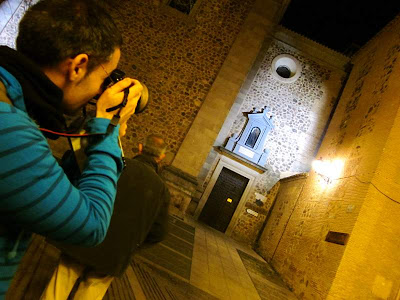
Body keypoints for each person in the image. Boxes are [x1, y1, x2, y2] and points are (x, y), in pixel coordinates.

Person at [0, 0, 142, 298]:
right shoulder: (9, 128)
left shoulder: (10, 99)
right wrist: (108, 131)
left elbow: (48, 187)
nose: (101, 90)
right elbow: (90, 224)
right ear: (77, 66)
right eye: (105, 77)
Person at [41, 134, 171, 300]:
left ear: (140, 147)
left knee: (60, 284)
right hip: (116, 252)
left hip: (86, 235)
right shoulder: (161, 190)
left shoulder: (115, 166)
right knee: (91, 292)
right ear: (161, 157)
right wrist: (134, 245)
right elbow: (160, 232)